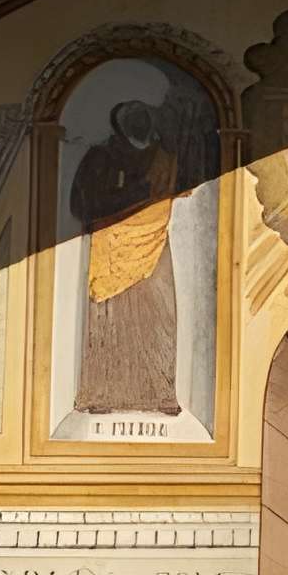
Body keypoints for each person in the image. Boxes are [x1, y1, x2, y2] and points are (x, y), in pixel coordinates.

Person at [71, 99, 184, 417]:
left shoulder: (165, 157)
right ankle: (103, 393)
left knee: (159, 318)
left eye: (144, 116)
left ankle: (158, 392)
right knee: (113, 323)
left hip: (154, 242)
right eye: (132, 118)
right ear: (120, 124)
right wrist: (137, 193)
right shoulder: (102, 156)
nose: (140, 123)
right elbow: (85, 204)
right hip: (113, 250)